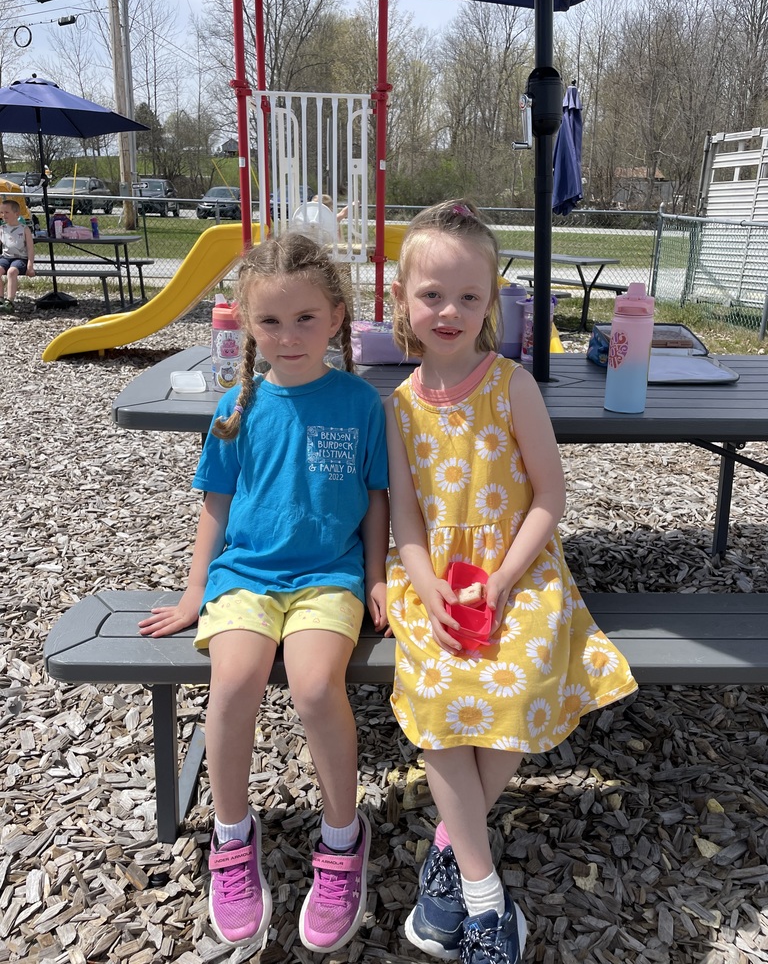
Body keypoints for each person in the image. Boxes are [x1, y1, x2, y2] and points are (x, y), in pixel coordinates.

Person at [385, 199, 637, 964]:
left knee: (522, 682)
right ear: (402, 302)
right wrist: (428, 588)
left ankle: (446, 855)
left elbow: (550, 499)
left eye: (468, 296)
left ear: (492, 301)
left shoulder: (511, 386)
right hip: (431, 577)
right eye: (432, 295)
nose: (450, 311)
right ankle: (487, 898)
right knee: (437, 699)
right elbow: (406, 522)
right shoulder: (395, 408)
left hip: (518, 569)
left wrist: (498, 581)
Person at [138, 233, 390, 953]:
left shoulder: (360, 403)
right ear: (247, 324)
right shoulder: (235, 406)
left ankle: (343, 841)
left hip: (327, 579)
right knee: (236, 680)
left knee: (316, 690)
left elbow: (376, 500)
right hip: (246, 577)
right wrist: (194, 592)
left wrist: (376, 576)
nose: (289, 336)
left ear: (338, 317)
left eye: (306, 319)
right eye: (271, 322)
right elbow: (215, 504)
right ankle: (231, 836)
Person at [0, 199, 34, 313]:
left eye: (6, 212)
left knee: (11, 272)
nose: (3, 215)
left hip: (20, 258)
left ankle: (10, 302)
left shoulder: (24, 229)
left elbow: (30, 248)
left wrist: (30, 266)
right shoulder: (2, 229)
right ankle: (0, 299)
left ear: (16, 214)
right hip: (5, 257)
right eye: (2, 212)